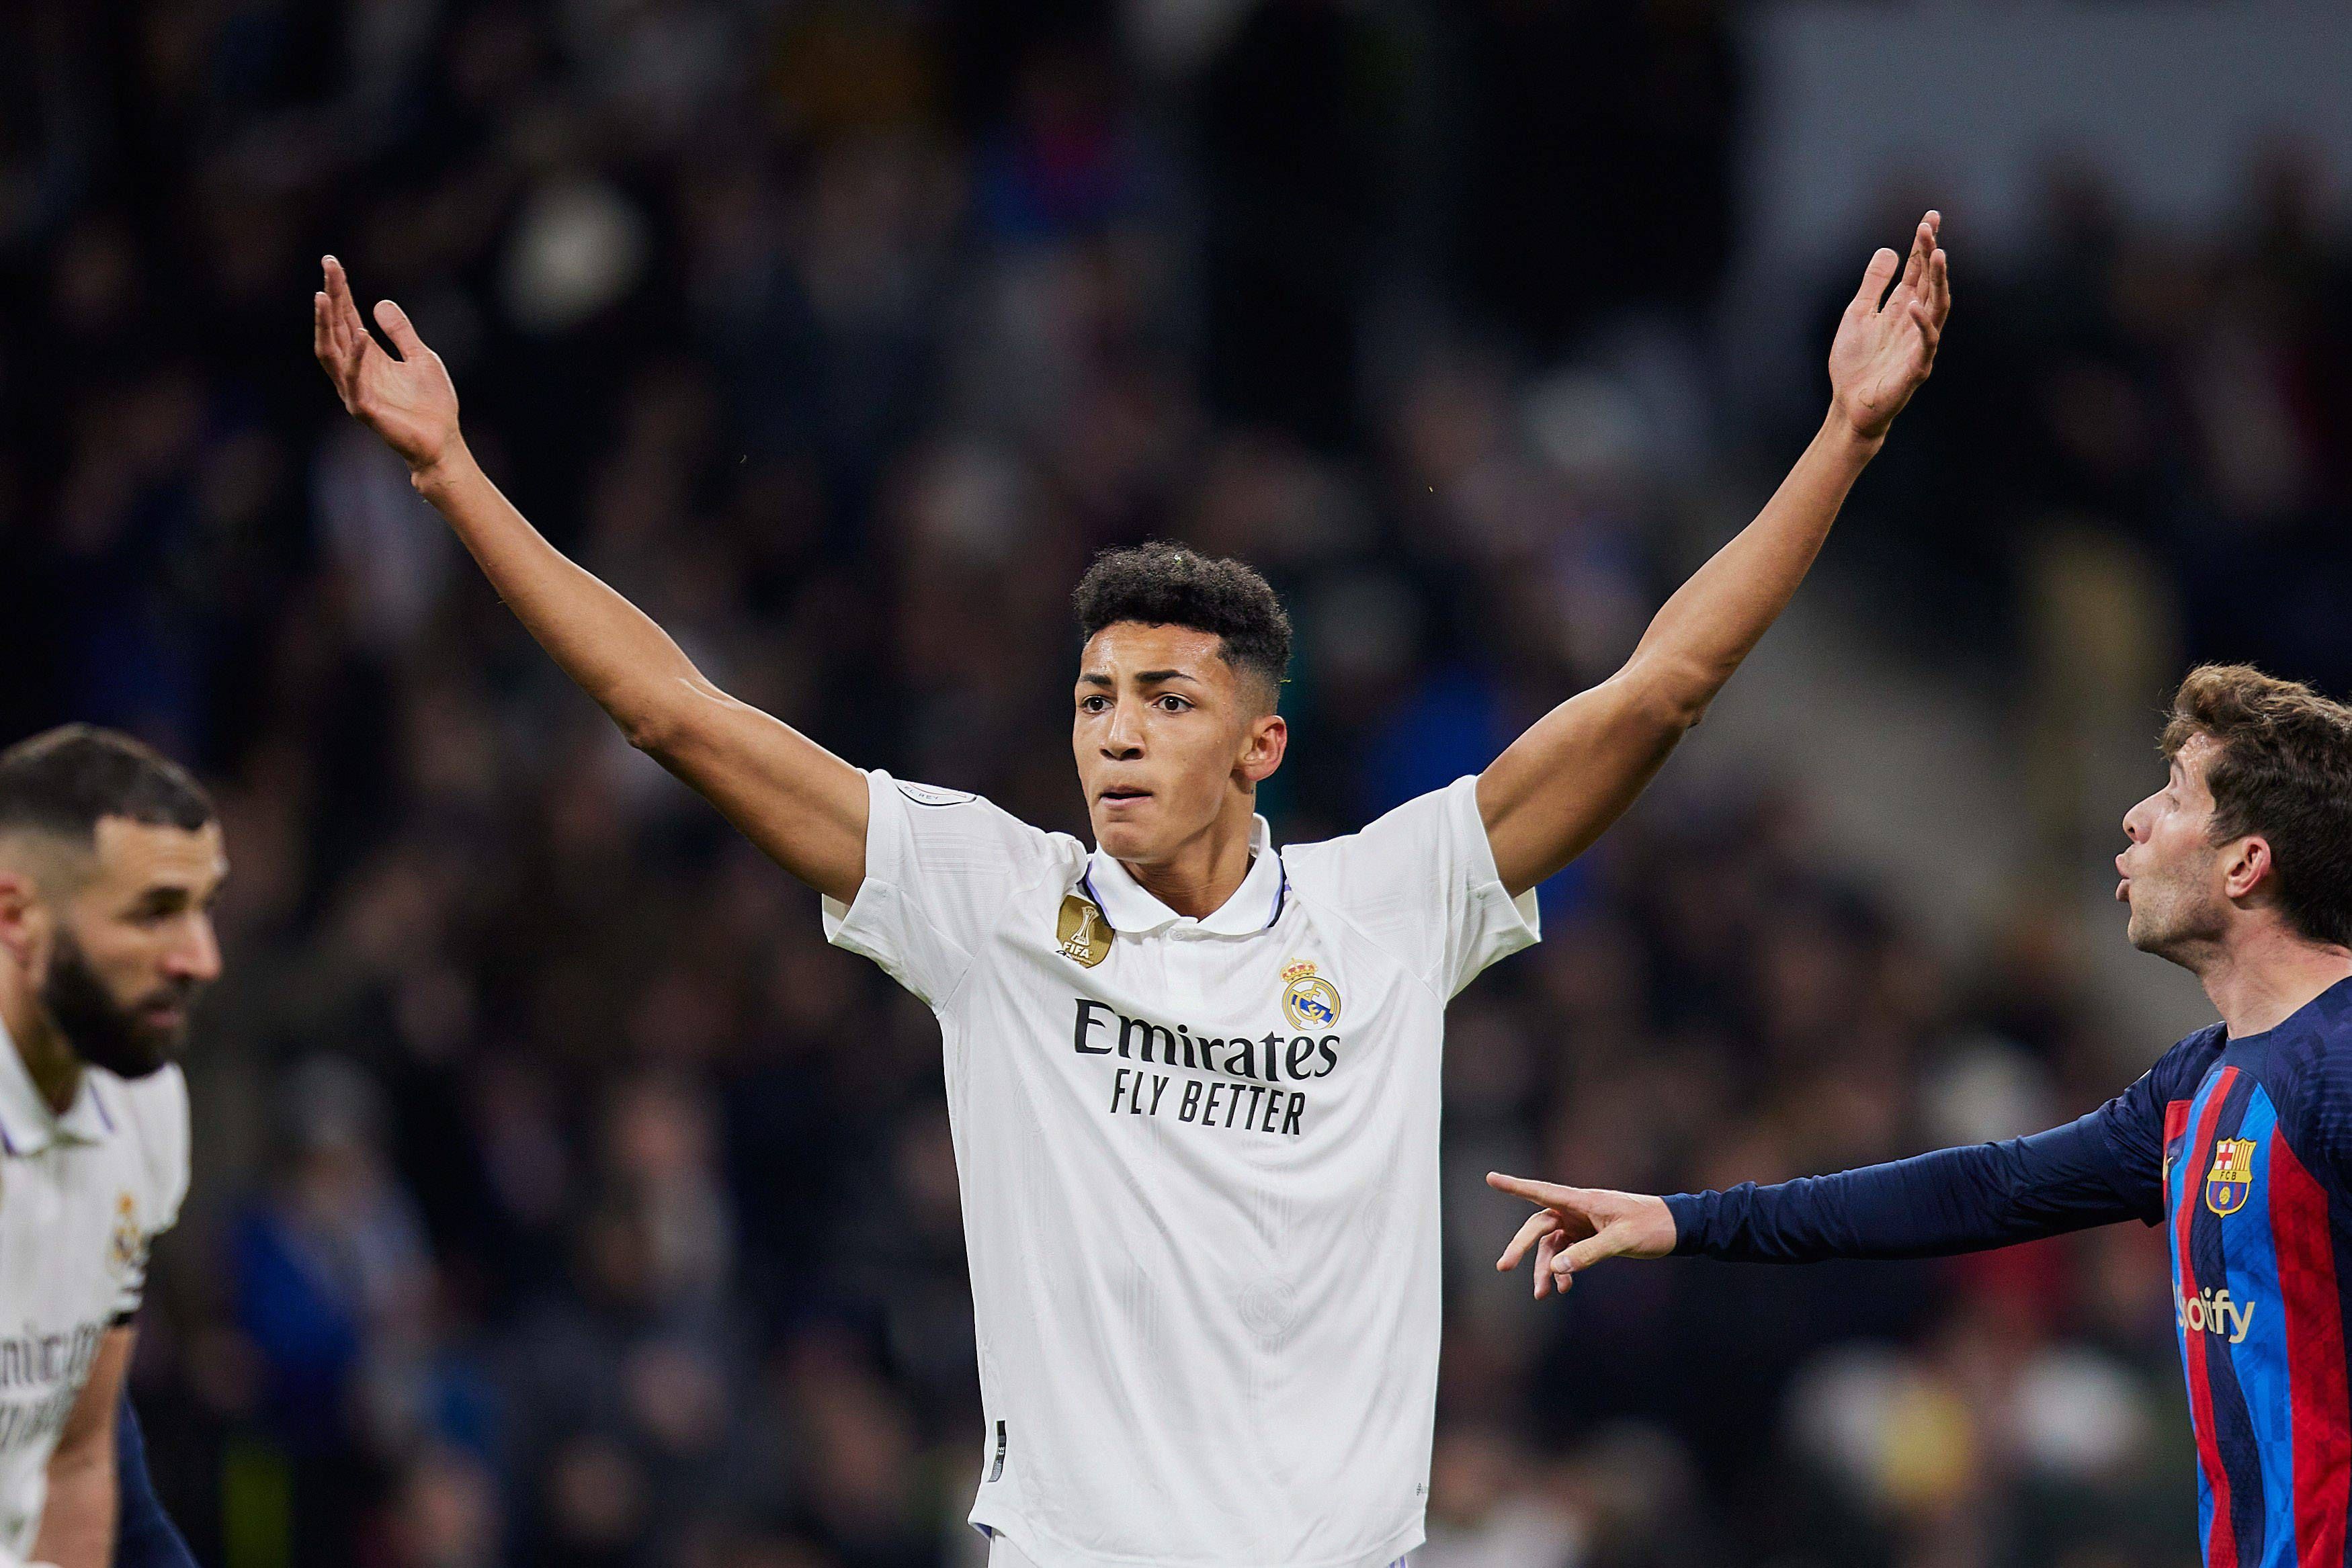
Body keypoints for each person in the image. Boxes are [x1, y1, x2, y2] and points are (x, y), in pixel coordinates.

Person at [313, 210, 1949, 1567]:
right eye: (1096, 697)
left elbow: (1660, 689)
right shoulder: (991, 897)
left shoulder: (1389, 901)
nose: (1116, 733)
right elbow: (676, 713)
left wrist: (1844, 437)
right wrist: (455, 475)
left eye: (1167, 702)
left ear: (1261, 743)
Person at [1490, 664, 2352, 1568]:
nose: (2135, 818)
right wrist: (1682, 1217)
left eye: (2176, 795)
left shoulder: (2333, 1064)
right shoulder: (2201, 1081)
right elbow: (1983, 1188)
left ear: (2247, 863)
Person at [0, 727, 226, 1568]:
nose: (202, 958)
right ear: (18, 917)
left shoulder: (143, 1102)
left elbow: (81, 1453)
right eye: (155, 913)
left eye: (205, 907)